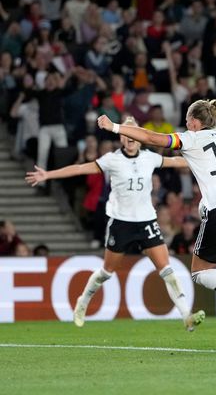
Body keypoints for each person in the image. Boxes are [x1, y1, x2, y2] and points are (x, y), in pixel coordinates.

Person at [96, 100, 216, 348]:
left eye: (188, 121)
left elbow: (152, 138)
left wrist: (115, 127)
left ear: (193, 122)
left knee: (201, 273)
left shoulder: (191, 138)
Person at [25, 118, 205, 331]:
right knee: (107, 272)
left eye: (133, 133)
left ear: (139, 137)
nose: (129, 138)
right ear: (121, 137)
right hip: (121, 223)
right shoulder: (112, 160)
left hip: (146, 221)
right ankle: (83, 301)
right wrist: (48, 174)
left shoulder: (150, 158)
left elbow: (177, 162)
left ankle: (186, 316)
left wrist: (206, 159)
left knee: (167, 270)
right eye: (126, 134)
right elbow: (81, 168)